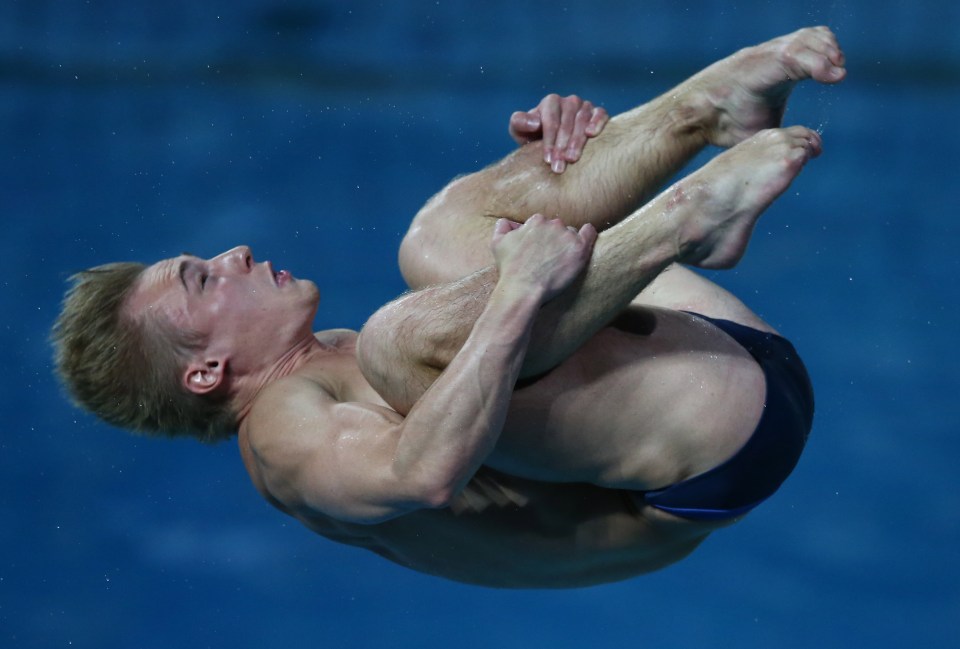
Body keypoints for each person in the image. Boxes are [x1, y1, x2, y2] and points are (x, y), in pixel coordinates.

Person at [53, 27, 845, 588]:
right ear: (209, 371)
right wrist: (520, 290)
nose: (230, 256)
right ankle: (681, 222)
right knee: (400, 339)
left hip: (725, 355)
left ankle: (704, 113)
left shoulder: (320, 357)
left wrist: (554, 168)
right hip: (715, 450)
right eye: (201, 279)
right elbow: (426, 473)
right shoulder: (283, 446)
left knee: (433, 239)